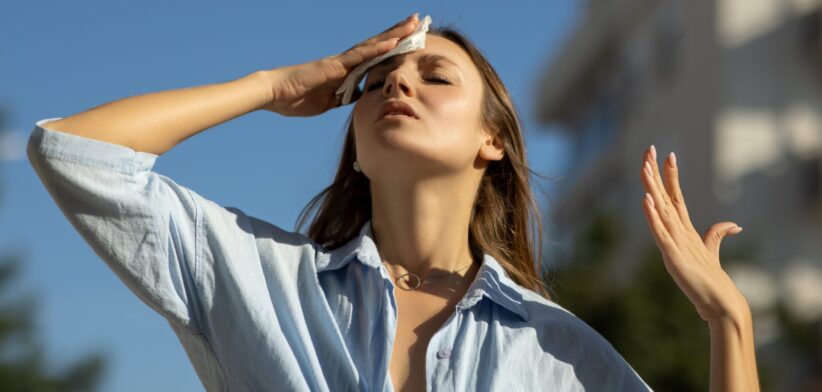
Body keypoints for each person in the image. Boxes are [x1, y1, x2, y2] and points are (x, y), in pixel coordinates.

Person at [27, 12, 758, 391]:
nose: (397, 86)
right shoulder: (259, 278)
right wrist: (272, 87)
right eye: (375, 84)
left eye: (435, 78)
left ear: (492, 141)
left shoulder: (556, 351)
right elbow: (73, 152)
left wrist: (728, 322)